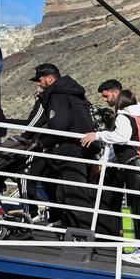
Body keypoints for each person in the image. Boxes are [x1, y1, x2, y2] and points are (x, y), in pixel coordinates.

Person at [80, 90, 140, 264]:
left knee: (139, 207)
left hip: (137, 166)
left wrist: (96, 135)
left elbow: (121, 138)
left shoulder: (123, 117)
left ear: (120, 103)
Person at [22, 63, 96, 230]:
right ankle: (72, 232)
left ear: (49, 78)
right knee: (63, 194)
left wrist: (41, 142)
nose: (38, 84)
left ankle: (82, 236)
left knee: (74, 196)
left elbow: (59, 125)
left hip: (70, 152)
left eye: (40, 80)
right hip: (81, 151)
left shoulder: (58, 95)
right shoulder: (75, 95)